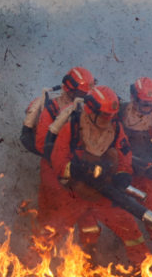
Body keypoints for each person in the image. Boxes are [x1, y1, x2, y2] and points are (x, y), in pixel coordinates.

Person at [49, 86, 152, 265]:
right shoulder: (71, 128)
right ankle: (32, 268)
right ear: (90, 110)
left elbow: (124, 154)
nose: (108, 119)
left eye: (111, 115)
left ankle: (140, 268)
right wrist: (82, 169)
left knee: (130, 230)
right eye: (105, 115)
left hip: (104, 191)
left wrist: (123, 174)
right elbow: (58, 162)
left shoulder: (115, 127)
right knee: (51, 232)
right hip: (73, 193)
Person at [20, 67, 99, 247]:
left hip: (82, 169)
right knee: (53, 215)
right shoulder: (52, 109)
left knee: (87, 214)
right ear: (67, 88)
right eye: (81, 94)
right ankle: (42, 251)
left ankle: (89, 252)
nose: (84, 98)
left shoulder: (88, 109)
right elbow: (42, 144)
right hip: (53, 170)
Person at [118, 78, 152, 251]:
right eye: (144, 103)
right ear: (133, 97)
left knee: (151, 206)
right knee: (120, 204)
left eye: (151, 103)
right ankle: (122, 236)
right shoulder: (121, 112)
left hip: (145, 171)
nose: (148, 107)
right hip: (122, 168)